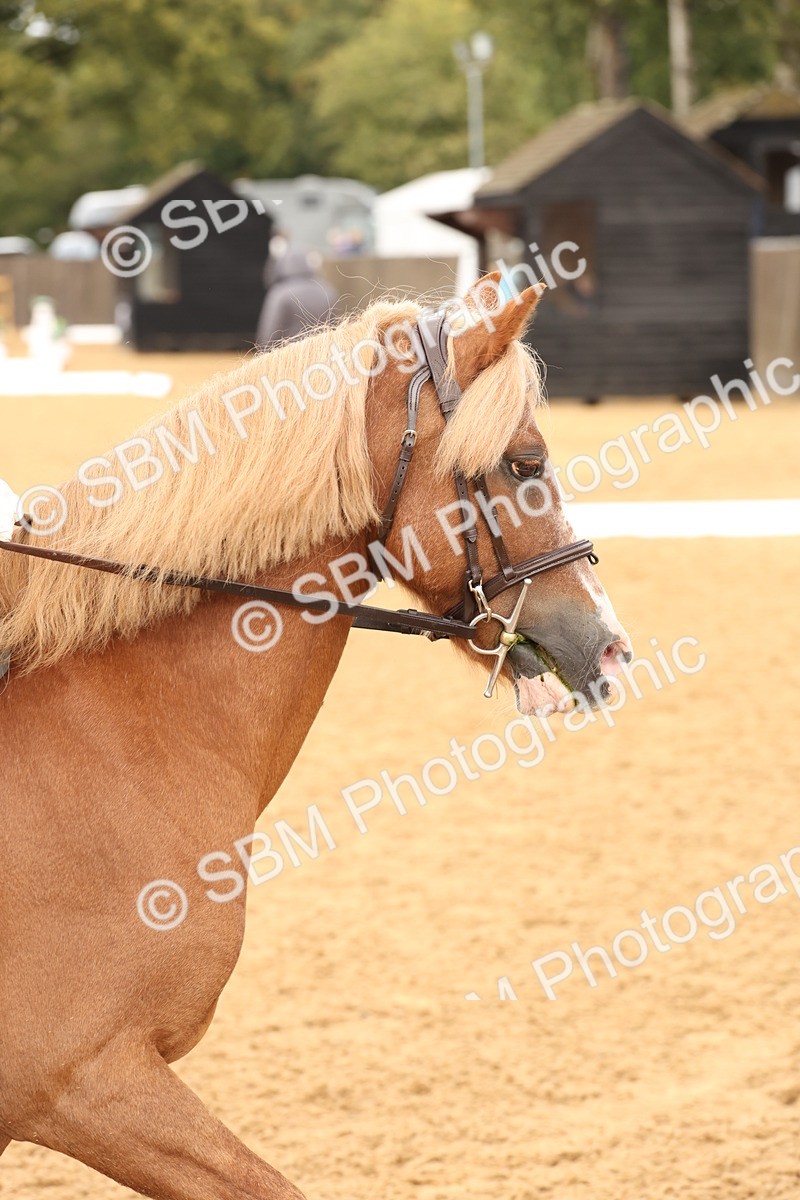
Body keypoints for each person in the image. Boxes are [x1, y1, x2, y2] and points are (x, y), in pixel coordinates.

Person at [256, 245, 338, 348]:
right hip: (322, 357)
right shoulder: (327, 290)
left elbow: (267, 336)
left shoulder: (280, 293)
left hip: (289, 360)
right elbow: (334, 330)